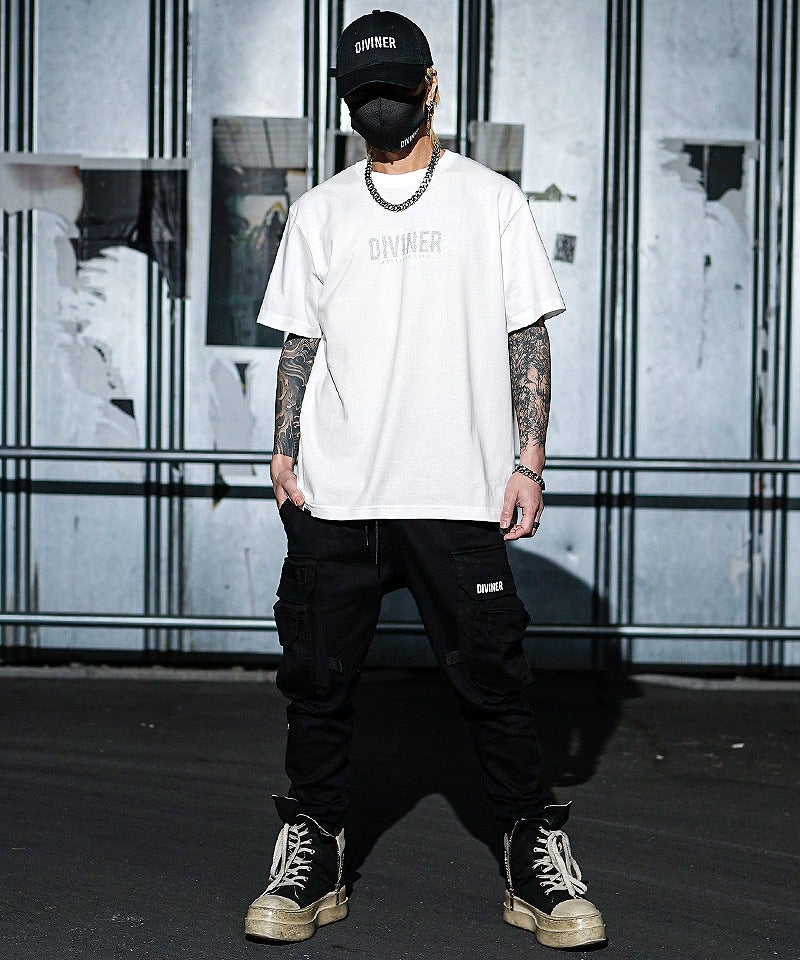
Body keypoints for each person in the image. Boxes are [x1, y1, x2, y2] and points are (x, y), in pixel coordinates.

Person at [244, 8, 606, 950]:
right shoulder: (320, 212)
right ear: (347, 101)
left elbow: (528, 335)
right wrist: (282, 445)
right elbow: (300, 341)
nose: (381, 106)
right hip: (337, 495)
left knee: (494, 685)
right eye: (363, 93)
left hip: (455, 491)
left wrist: (529, 460)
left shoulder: (491, 201)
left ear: (431, 88)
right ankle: (313, 852)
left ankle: (533, 857)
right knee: (318, 686)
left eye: (394, 90)